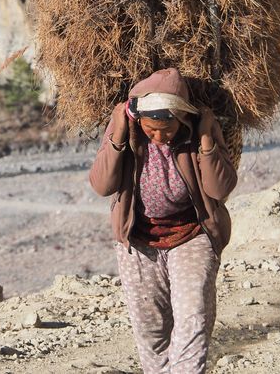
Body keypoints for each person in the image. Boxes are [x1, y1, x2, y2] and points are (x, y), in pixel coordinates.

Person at [89, 68, 237, 374]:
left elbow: (219, 188)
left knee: (193, 315)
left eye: (165, 128)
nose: (158, 136)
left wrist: (207, 138)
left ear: (181, 118)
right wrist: (117, 132)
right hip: (140, 240)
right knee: (151, 330)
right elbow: (102, 185)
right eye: (151, 128)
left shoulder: (198, 132)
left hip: (192, 235)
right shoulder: (127, 130)